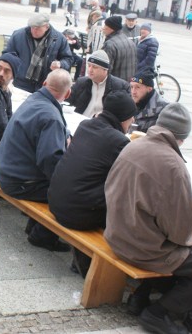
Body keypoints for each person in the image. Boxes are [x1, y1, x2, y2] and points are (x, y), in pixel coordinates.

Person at [105, 103, 192, 333]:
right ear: (182, 137)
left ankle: (140, 296)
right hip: (141, 248)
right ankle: (159, 312)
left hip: (115, 234)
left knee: (162, 236)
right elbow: (180, 231)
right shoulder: (174, 166)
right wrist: (189, 241)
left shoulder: (134, 145)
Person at [48, 91, 136, 276]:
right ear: (122, 118)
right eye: (130, 117)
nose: (132, 121)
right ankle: (96, 267)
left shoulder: (86, 125)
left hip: (55, 200)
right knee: (123, 204)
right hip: (77, 214)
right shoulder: (119, 141)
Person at [0, 69, 73, 252]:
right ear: (67, 94)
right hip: (18, 182)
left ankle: (35, 226)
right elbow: (50, 160)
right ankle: (42, 236)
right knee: (69, 195)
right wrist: (65, 185)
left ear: (45, 84)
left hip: (5, 170)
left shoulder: (34, 100)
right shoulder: (51, 116)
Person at [3, 13, 73, 93]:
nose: (34, 31)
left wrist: (60, 64)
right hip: (20, 82)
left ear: (46, 27)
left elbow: (68, 59)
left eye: (37, 28)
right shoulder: (19, 35)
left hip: (45, 85)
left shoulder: (59, 39)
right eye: (32, 27)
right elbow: (7, 55)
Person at [66, 51, 130, 118]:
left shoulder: (119, 87)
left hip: (102, 125)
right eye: (89, 65)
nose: (90, 70)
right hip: (79, 121)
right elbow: (67, 102)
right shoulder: (81, 82)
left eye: (95, 67)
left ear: (105, 69)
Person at [101, 15, 137, 81]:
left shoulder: (110, 44)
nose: (103, 28)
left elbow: (105, 69)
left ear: (111, 28)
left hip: (114, 85)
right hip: (128, 84)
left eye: (105, 25)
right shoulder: (131, 42)